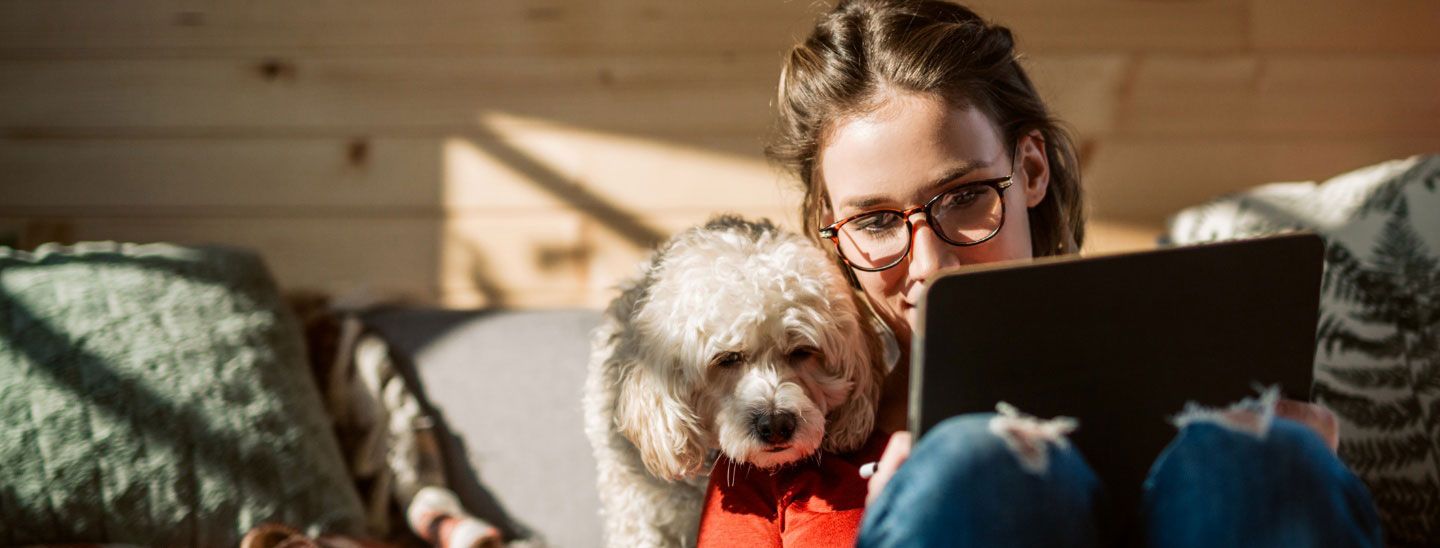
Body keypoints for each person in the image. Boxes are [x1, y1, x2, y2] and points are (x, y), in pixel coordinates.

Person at [695, 0, 1385, 546]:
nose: (933, 266)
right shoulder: (777, 447)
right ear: (831, 231)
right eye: (875, 222)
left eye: (964, 197)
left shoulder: (1201, 412)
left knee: (1256, 459)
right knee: (978, 467)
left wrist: (1301, 480)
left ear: (1029, 170)